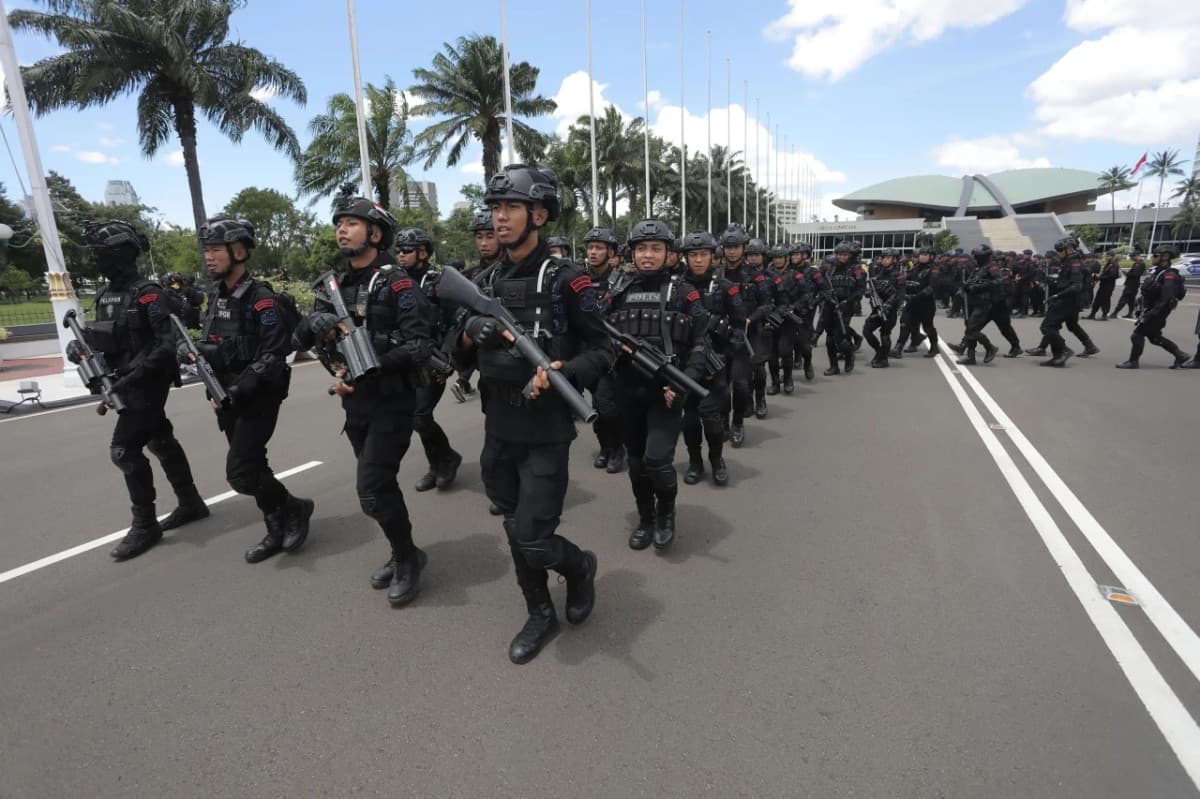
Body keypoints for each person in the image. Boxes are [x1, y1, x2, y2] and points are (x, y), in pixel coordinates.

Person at [456, 164, 610, 664]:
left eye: (511, 208)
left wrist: (566, 369)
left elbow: (603, 349)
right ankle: (540, 611)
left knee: (534, 537)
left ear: (539, 214)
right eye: (495, 209)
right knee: (512, 528)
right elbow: (453, 354)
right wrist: (469, 332)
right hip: (497, 427)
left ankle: (580, 568)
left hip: (545, 429)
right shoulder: (483, 281)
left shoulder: (569, 280)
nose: (499, 219)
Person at [293, 192, 435, 607]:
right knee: (382, 486)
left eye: (352, 223)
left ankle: (409, 559)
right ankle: (402, 549)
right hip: (354, 404)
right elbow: (299, 340)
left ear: (374, 232)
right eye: (339, 222)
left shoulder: (397, 282)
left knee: (371, 490)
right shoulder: (333, 284)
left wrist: (369, 365)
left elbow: (420, 345)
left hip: (392, 401)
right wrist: (314, 321)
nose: (342, 228)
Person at [68, 221, 206, 560]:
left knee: (123, 450)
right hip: (122, 381)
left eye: (102, 254)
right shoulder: (104, 295)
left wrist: (133, 374)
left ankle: (145, 525)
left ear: (122, 254)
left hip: (147, 382)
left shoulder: (149, 293)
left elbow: (166, 342)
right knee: (160, 439)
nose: (96, 261)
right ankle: (190, 502)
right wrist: (79, 348)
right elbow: (102, 338)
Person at [188, 217, 312, 563]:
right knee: (255, 464)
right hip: (226, 396)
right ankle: (275, 526)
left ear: (238, 251)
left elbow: (273, 355)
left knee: (241, 473)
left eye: (215, 250)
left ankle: (294, 507)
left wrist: (235, 391)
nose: (208, 257)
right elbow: (214, 346)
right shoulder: (216, 297)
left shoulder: (261, 299)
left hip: (257, 397)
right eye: (206, 251)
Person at [609, 219, 710, 551]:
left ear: (670, 254)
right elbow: (599, 334)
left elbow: (700, 341)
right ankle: (645, 517)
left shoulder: (683, 292)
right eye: (641, 249)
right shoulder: (618, 289)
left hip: (667, 391)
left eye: (655, 248)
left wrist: (687, 381)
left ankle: (666, 513)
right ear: (632, 253)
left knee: (657, 460)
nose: (648, 255)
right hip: (629, 390)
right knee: (636, 462)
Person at [395, 228, 463, 493]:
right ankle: (437, 464)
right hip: (406, 358)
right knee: (416, 417)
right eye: (398, 250)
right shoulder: (394, 281)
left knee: (421, 415)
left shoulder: (438, 282)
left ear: (422, 253)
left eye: (407, 251)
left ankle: (446, 459)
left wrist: (447, 355)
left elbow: (456, 320)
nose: (401, 255)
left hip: (434, 357)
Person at [679, 231, 740, 486]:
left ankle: (717, 460)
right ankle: (695, 461)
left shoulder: (726, 287)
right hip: (686, 364)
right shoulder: (676, 287)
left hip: (715, 364)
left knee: (712, 420)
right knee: (690, 420)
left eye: (703, 254)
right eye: (693, 255)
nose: (698, 260)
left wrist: (728, 348)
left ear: (712, 256)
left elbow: (739, 324)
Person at [582, 226, 626, 474]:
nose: (593, 252)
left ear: (610, 252)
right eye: (590, 247)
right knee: (597, 406)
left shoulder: (621, 280)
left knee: (606, 402)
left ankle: (617, 448)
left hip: (612, 353)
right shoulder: (579, 278)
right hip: (586, 352)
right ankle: (605, 446)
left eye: (599, 248)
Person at [1116, 244, 1190, 369]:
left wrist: (1153, 312)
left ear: (1165, 257)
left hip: (1158, 311)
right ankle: (1181, 355)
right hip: (1153, 308)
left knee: (1137, 335)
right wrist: (1140, 302)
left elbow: (1166, 298)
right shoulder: (1158, 272)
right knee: (1154, 337)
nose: (1153, 258)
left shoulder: (1169, 275)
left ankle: (1133, 362)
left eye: (1156, 256)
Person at [818, 241, 866, 375]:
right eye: (839, 254)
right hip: (830, 304)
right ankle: (834, 366)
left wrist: (847, 301)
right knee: (829, 339)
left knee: (839, 337)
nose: (842, 257)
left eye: (845, 254)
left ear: (850, 255)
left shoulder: (857, 270)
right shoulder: (830, 268)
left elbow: (860, 290)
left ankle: (849, 353)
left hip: (846, 306)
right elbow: (821, 284)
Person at [890, 246, 941, 358]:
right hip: (911, 302)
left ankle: (934, 347)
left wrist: (917, 296)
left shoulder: (934, 270)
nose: (922, 256)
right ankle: (898, 348)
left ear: (931, 256)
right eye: (921, 254)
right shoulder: (915, 268)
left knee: (928, 327)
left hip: (926, 303)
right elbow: (906, 282)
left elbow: (932, 287)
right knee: (905, 323)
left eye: (925, 254)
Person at [862, 247, 905, 368]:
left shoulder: (898, 276)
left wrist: (890, 305)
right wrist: (869, 292)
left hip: (889, 311)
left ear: (895, 260)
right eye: (883, 257)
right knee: (867, 330)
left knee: (885, 334)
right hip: (877, 308)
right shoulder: (878, 273)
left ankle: (884, 359)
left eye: (888, 258)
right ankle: (879, 351)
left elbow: (900, 294)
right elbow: (873, 289)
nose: (884, 260)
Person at [1087, 252, 1120, 320]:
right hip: (1103, 285)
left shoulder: (1114, 265)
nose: (1106, 257)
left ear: (1113, 257)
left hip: (1108, 286)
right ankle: (1092, 314)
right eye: (1106, 256)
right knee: (1097, 300)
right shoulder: (1108, 264)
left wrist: (1100, 277)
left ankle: (1104, 315)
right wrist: (1099, 277)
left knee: (1105, 300)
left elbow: (1112, 275)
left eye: (1108, 256)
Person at [1112, 253, 1147, 319]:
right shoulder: (1136, 263)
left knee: (1123, 298)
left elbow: (1135, 274)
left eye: (1132, 257)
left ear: (1136, 256)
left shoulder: (1140, 264)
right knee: (1131, 301)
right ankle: (1130, 313)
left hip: (1132, 285)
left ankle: (1115, 313)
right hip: (1132, 284)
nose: (1131, 258)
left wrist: (1127, 273)